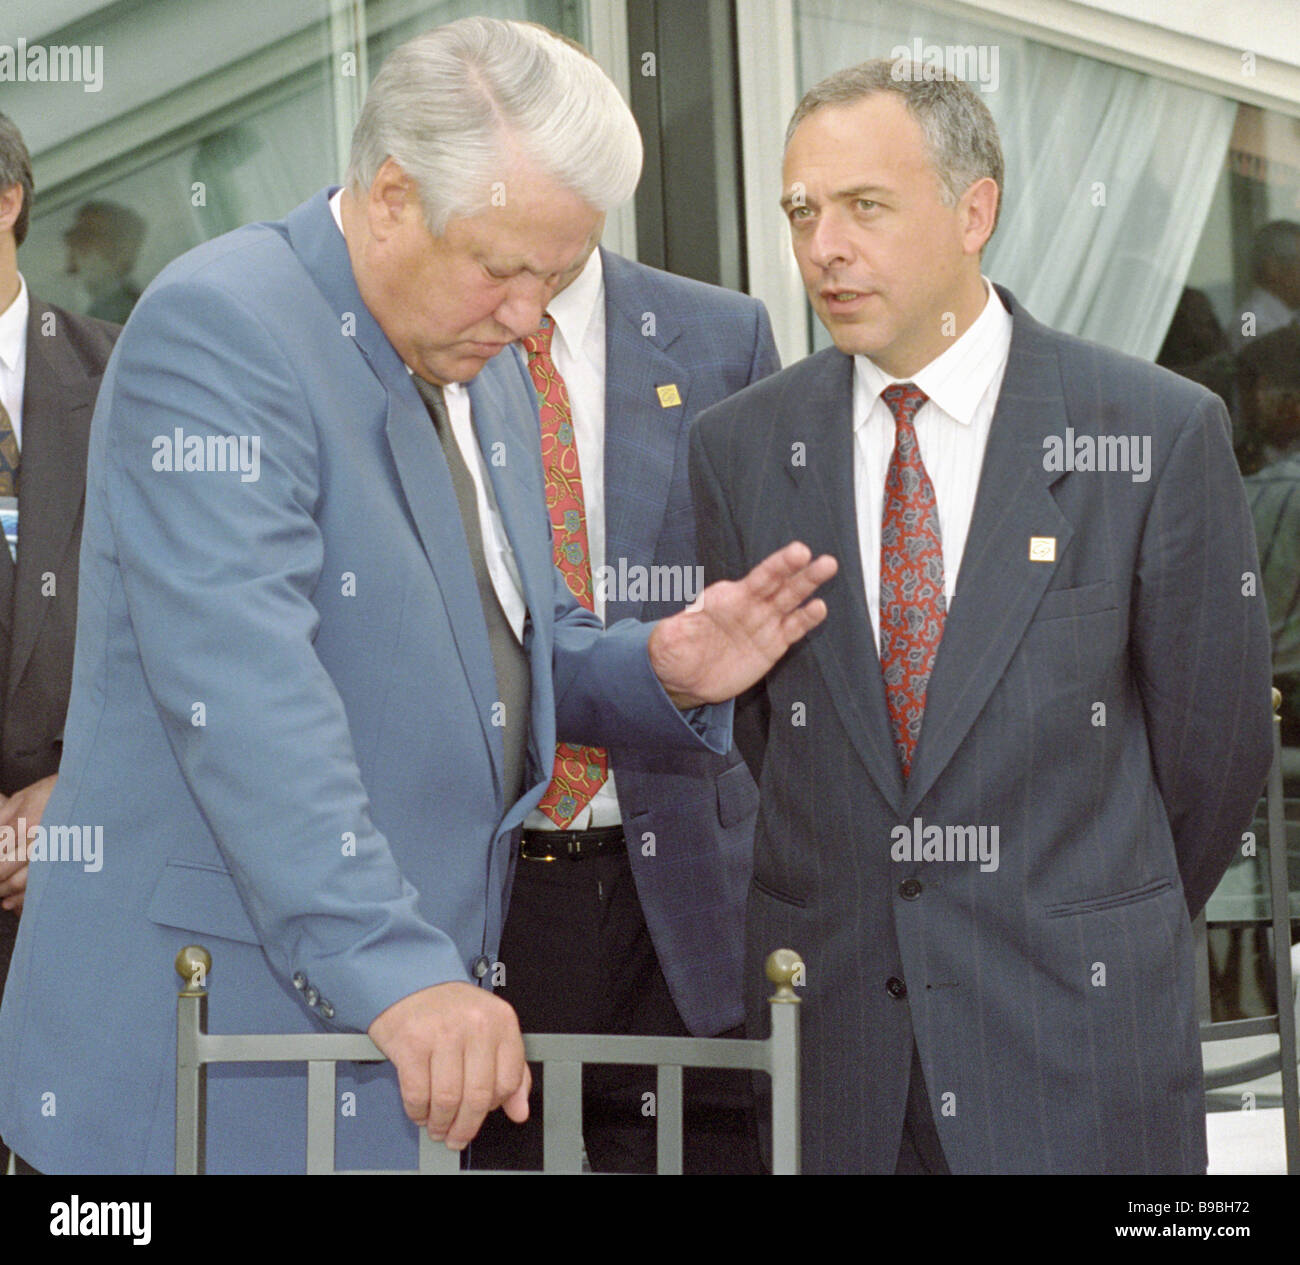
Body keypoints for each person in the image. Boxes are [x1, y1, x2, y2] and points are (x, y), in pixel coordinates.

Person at [0, 18, 834, 1175]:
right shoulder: (222, 330)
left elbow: (498, 642)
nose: (528, 314)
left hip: (391, 1076)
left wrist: (660, 669)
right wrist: (404, 971)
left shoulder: (471, 362)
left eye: (557, 275)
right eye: (502, 266)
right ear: (390, 194)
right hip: (209, 1061)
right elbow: (246, 695)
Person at [689, 59, 1275, 1174]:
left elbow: (1215, 751)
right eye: (802, 211)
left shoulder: (1150, 432)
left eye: (865, 205)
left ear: (975, 210)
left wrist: (1080, 915)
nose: (824, 246)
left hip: (1074, 1051)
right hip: (840, 1057)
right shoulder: (741, 447)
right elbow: (772, 740)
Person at [473, 231, 780, 1171]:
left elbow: (778, 614)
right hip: (492, 892)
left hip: (692, 895)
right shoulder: (430, 329)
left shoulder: (723, 335)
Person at [0, 113, 119, 1175]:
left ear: (7, 201)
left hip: (95, 889)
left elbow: (195, 620)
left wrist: (80, 787)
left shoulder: (127, 377)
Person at [63, 200, 145, 325]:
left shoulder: (127, 312)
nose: (76, 243)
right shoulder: (80, 309)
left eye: (89, 235)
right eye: (76, 235)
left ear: (123, 249)